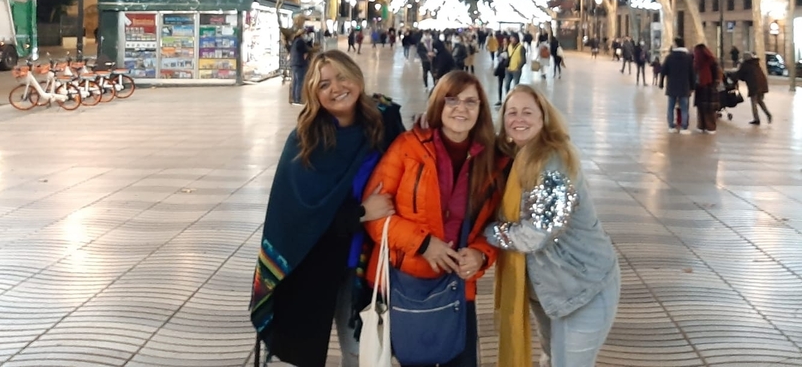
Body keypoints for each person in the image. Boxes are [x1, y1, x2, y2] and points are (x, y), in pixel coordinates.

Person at [249, 51, 405, 367]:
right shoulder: (306, 141)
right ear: (314, 95)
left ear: (356, 77)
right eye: (323, 84)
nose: (335, 88)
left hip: (367, 263)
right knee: (307, 353)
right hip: (316, 264)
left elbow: (410, 167)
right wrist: (361, 212)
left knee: (363, 354)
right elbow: (298, 216)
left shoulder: (383, 120)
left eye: (341, 77)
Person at [363, 71, 508, 367]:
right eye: (452, 100)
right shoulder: (407, 147)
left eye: (471, 102)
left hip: (457, 288)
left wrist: (482, 255)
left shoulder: (491, 161)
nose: (461, 109)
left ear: (481, 111)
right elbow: (375, 218)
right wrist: (424, 244)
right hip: (403, 286)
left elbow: (496, 226)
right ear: (438, 105)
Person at [487, 86, 621, 367]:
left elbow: (538, 233)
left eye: (527, 112)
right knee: (551, 360)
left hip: (583, 288)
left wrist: (487, 232)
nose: (518, 118)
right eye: (511, 112)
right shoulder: (514, 156)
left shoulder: (553, 161)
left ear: (543, 118)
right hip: (547, 291)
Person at [660, 37, 696, 134]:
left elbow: (663, 71)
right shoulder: (688, 58)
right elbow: (692, 73)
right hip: (684, 86)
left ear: (676, 44)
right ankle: (684, 127)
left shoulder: (669, 57)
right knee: (684, 107)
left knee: (670, 107)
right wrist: (692, 86)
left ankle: (671, 126)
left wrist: (661, 83)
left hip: (672, 86)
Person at [734, 52, 772, 125]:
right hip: (762, 84)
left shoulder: (746, 65)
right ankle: (768, 114)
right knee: (760, 101)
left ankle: (756, 119)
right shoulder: (755, 64)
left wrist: (733, 77)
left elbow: (739, 74)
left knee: (754, 102)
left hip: (754, 86)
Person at [692, 43, 722, 134]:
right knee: (703, 107)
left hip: (706, 86)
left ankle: (709, 127)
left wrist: (714, 83)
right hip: (704, 86)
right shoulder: (707, 62)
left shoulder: (707, 63)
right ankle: (703, 126)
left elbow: (717, 74)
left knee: (707, 108)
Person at [290, 30, 310, 105]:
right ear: (302, 34)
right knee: (300, 82)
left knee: (295, 81)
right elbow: (305, 52)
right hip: (300, 64)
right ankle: (297, 99)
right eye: (305, 34)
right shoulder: (300, 41)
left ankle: (294, 98)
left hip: (294, 63)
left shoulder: (294, 41)